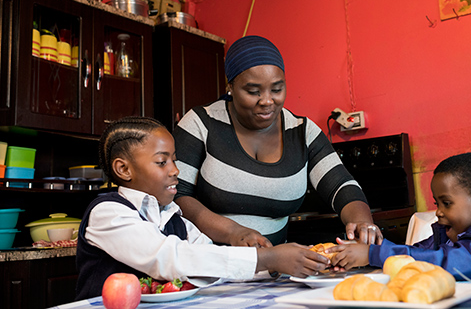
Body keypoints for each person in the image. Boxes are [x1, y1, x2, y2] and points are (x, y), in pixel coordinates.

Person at [75, 116, 329, 300]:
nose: (176, 170)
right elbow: (170, 258)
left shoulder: (174, 219)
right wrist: (265, 258)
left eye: (174, 160)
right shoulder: (108, 213)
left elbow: (209, 261)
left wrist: (275, 265)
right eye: (162, 162)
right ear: (124, 169)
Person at [173, 35, 381, 247]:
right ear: (231, 87)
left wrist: (363, 222)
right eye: (253, 91)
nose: (267, 101)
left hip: (273, 270)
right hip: (207, 265)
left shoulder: (301, 132)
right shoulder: (201, 123)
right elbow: (176, 196)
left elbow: (341, 185)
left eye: (277, 89)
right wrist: (233, 232)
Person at [327, 152, 471, 280]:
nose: (438, 212)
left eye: (446, 203)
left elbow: (441, 261)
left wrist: (372, 254)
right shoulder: (448, 233)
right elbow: (414, 253)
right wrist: (369, 248)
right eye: (437, 204)